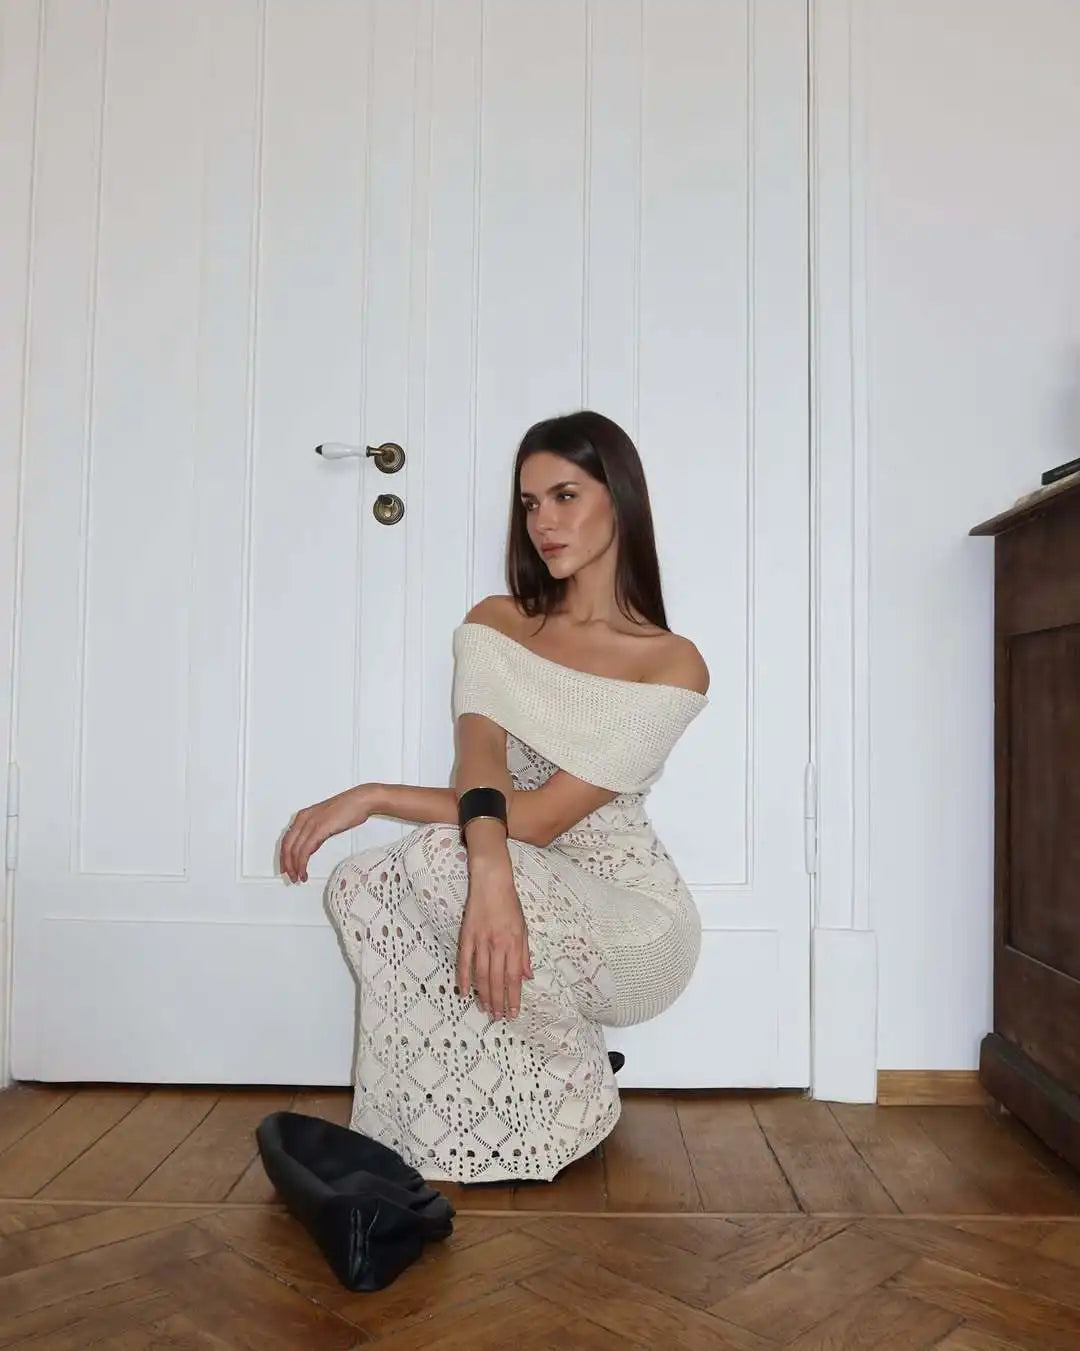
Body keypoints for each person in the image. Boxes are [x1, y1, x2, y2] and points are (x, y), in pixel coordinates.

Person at [280, 410, 709, 1183]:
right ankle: (440, 1121)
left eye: (566, 496)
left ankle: (576, 1079)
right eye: (530, 503)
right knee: (362, 882)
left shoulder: (670, 662)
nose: (543, 521)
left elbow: (537, 819)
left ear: (619, 499)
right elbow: (478, 761)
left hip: (634, 923)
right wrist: (485, 859)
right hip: (522, 869)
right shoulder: (498, 623)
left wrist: (391, 805)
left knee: (443, 859)